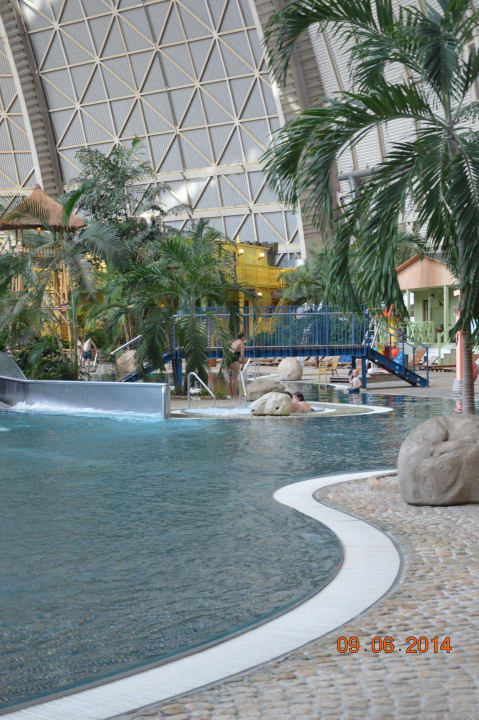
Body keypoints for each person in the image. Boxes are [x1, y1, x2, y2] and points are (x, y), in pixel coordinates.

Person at [228, 331, 246, 397]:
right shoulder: (241, 343)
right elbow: (242, 355)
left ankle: (231, 395)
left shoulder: (234, 342)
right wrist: (243, 365)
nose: (245, 338)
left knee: (230, 379)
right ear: (243, 337)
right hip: (235, 361)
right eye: (245, 337)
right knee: (234, 379)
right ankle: (235, 395)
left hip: (228, 360)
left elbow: (231, 352)